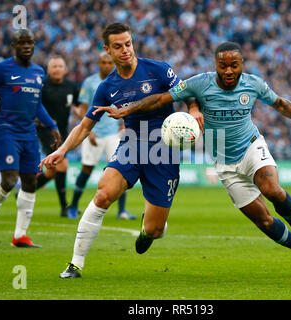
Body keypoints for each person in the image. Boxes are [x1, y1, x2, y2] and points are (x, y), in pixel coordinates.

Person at [96, 42, 291, 276]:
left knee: (271, 188)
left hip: (252, 147)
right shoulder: (200, 83)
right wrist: (129, 109)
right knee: (264, 221)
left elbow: (281, 104)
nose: (229, 71)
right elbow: (161, 99)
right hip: (225, 164)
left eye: (234, 65)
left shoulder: (253, 84)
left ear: (242, 63)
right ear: (216, 65)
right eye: (223, 66)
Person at [39, 23, 196, 278]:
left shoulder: (158, 69)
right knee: (102, 194)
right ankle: (76, 263)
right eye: (118, 46)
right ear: (107, 50)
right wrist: (63, 151)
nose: (125, 50)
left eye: (128, 44)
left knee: (155, 229)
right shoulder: (107, 87)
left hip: (163, 149)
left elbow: (187, 92)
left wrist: (194, 109)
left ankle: (149, 227)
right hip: (132, 143)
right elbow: (85, 125)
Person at [0, 28, 60, 248]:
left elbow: (37, 105)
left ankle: (20, 236)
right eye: (22, 43)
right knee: (10, 181)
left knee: (30, 182)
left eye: (30, 42)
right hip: (7, 130)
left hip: (29, 133)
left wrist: (52, 126)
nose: (27, 46)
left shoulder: (39, 72)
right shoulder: (1, 69)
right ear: (14, 46)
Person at [67, 52, 136, 220]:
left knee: (120, 171)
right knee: (87, 169)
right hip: (95, 134)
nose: (106, 65)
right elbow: (83, 110)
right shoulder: (90, 83)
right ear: (98, 63)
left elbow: (125, 106)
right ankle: (73, 207)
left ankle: (122, 211)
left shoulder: (121, 80)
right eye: (103, 62)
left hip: (114, 134)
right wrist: (89, 131)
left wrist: (123, 125)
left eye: (109, 62)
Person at [34, 55, 80, 217]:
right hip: (46, 131)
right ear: (48, 69)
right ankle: (64, 207)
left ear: (65, 69)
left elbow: (78, 105)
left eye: (60, 66)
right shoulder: (41, 86)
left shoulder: (71, 86)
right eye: (54, 66)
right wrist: (38, 119)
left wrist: (81, 113)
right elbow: (33, 106)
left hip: (63, 133)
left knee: (53, 172)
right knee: (62, 164)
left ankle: (27, 190)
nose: (57, 69)